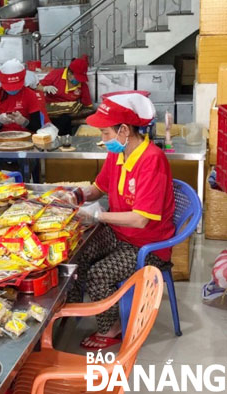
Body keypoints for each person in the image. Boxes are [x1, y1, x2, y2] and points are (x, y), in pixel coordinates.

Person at [69, 92, 175, 349]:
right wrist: (75, 194)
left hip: (148, 244)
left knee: (98, 274)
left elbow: (139, 220)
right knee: (75, 251)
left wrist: (96, 215)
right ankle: (69, 311)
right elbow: (98, 189)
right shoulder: (117, 154)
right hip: (119, 233)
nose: (103, 139)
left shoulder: (152, 161)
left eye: (105, 133)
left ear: (124, 130)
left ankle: (111, 328)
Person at [0, 59, 46, 134]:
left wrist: (24, 122)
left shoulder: (30, 95)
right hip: (3, 137)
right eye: (9, 87)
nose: (12, 90)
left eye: (15, 87)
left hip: (26, 136)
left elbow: (36, 126)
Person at [38, 55, 93, 135]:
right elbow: (36, 87)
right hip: (50, 112)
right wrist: (45, 88)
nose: (79, 81)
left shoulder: (83, 86)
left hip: (67, 116)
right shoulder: (56, 74)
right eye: (77, 78)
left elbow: (88, 107)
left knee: (65, 120)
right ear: (69, 73)